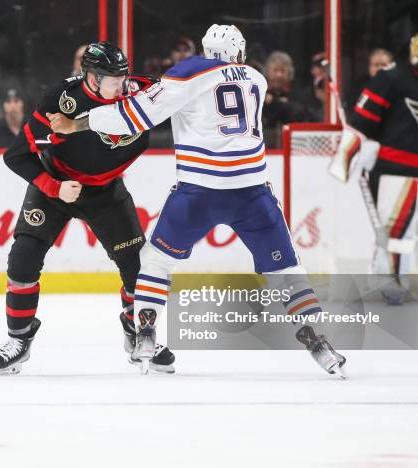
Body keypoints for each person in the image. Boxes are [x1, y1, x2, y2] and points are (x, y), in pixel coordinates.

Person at [50, 25, 347, 378]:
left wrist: (78, 125)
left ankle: (145, 331)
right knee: (286, 268)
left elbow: (137, 115)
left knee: (155, 261)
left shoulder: (190, 72)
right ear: (238, 50)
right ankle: (318, 341)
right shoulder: (256, 78)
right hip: (252, 191)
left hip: (199, 191)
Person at [0, 42, 175, 376]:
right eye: (115, 78)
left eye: (124, 75)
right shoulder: (62, 100)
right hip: (57, 187)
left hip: (107, 192)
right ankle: (18, 341)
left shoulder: (142, 92)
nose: (124, 83)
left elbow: (183, 96)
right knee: (23, 257)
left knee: (137, 269)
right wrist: (54, 187)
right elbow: (15, 155)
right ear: (92, 77)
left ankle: (137, 336)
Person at [331, 34, 418, 305]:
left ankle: (387, 276)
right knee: (396, 230)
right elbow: (360, 123)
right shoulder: (392, 77)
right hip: (398, 170)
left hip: (405, 168)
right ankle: (392, 282)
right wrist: (344, 160)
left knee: (401, 230)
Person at [262, 51, 315, 147]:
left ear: (290, 73)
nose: (279, 75)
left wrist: (274, 102)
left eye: (282, 71)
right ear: (267, 72)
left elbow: (302, 114)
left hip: (295, 151)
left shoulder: (299, 95)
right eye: (275, 70)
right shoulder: (259, 95)